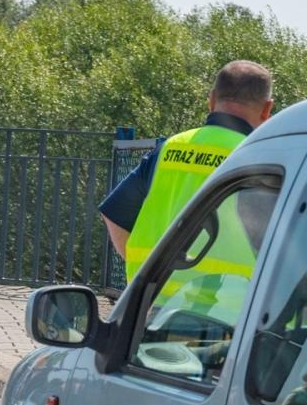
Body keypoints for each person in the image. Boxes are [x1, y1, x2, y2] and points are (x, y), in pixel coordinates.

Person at [100, 60, 274, 282]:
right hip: (227, 309)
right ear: (267, 109)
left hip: (149, 304)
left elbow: (114, 213)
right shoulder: (262, 156)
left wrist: (144, 273)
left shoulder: (169, 148)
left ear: (211, 100)